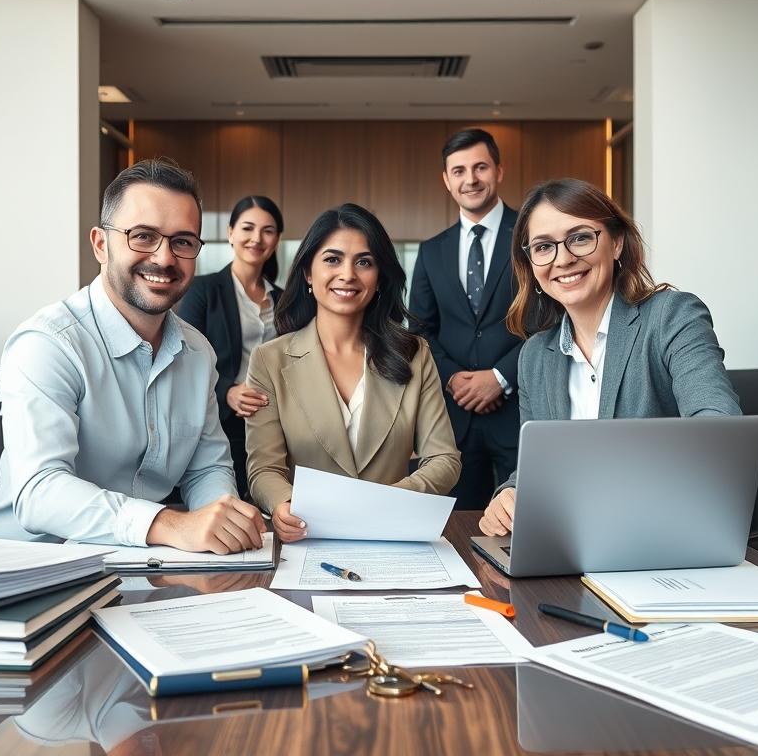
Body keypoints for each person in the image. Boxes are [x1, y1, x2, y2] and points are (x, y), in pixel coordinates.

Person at [0, 158, 266, 554]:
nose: (165, 259)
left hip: (140, 563)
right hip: (33, 566)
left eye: (183, 241)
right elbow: (40, 492)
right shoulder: (48, 343)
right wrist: (168, 523)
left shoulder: (197, 353)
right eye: (143, 236)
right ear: (101, 244)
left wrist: (222, 523)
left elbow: (207, 468)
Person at [479, 178, 742, 537]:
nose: (564, 258)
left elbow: (719, 430)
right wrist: (509, 496)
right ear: (532, 265)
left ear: (616, 242)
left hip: (663, 537)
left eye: (581, 237)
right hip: (570, 544)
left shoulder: (672, 318)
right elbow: (534, 470)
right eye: (543, 247)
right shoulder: (535, 356)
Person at [244, 203, 461, 542]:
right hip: (308, 538)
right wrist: (283, 504)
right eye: (332, 259)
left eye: (364, 262)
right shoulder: (269, 360)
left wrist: (389, 501)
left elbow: (444, 459)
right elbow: (264, 468)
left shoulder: (414, 354)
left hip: (395, 537)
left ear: (379, 278)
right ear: (308, 273)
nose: (348, 273)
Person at [409, 128, 522, 510]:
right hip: (454, 418)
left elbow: (550, 320)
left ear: (499, 171)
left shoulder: (530, 235)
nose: (470, 179)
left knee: (524, 520)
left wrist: (500, 377)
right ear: (446, 180)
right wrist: (455, 379)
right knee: (455, 526)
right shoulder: (431, 251)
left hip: (521, 410)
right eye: (458, 171)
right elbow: (420, 330)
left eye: (480, 168)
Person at [175, 195, 285, 500]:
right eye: (248, 228)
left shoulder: (287, 299)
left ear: (277, 239)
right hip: (223, 423)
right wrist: (227, 391)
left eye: (268, 230)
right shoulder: (203, 290)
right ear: (230, 233)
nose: (256, 238)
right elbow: (183, 356)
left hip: (276, 426)